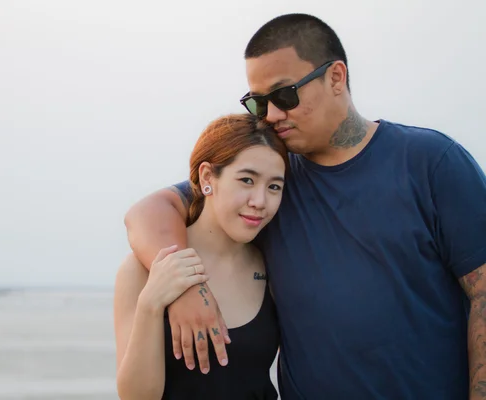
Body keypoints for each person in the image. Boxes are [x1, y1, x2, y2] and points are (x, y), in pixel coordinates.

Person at [123, 12, 486, 400]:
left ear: (336, 78)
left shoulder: (431, 162)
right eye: (259, 103)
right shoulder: (272, 180)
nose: (273, 116)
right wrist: (185, 287)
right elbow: (149, 210)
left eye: (284, 95)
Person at [114, 114, 289, 399]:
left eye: (274, 187)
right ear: (208, 177)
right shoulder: (141, 270)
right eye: (247, 180)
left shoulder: (273, 266)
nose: (260, 201)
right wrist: (151, 304)